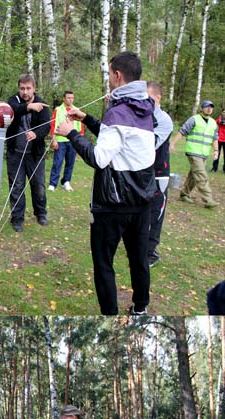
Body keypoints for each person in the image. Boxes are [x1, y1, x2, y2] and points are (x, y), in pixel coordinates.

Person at [58, 51, 156, 316]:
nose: (109, 78)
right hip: (142, 201)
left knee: (104, 264)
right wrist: (87, 119)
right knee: (139, 260)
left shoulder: (118, 112)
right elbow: (121, 140)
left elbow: (100, 158)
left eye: (109, 73)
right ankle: (140, 308)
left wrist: (71, 135)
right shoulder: (146, 109)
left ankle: (111, 315)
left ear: (117, 75)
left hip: (113, 204)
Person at [6, 74, 51, 232]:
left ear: (34, 88)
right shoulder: (13, 101)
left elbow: (46, 126)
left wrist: (36, 134)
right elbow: (12, 110)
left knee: (38, 186)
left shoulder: (43, 104)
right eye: (22, 88)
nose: (25, 92)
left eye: (28, 88)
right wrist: (29, 107)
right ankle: (17, 219)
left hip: (35, 154)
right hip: (15, 154)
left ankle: (41, 213)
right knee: (16, 187)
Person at [145, 81, 174, 267]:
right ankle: (139, 244)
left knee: (155, 212)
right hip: (143, 172)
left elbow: (149, 144)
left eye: (148, 98)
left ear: (158, 97)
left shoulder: (164, 120)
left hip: (159, 173)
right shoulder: (143, 115)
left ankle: (150, 252)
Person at [170, 99, 218, 208]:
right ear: (202, 108)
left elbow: (215, 138)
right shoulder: (194, 119)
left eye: (211, 107)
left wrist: (216, 151)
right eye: (207, 106)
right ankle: (208, 199)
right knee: (201, 175)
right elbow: (182, 131)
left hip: (204, 154)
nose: (209, 108)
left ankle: (184, 194)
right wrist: (172, 143)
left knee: (193, 175)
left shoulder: (213, 122)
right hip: (193, 152)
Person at [48, 91, 84, 192]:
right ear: (64, 98)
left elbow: (80, 128)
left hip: (72, 141)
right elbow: (53, 125)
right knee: (57, 162)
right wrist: (53, 140)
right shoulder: (58, 110)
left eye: (72, 98)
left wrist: (79, 143)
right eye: (68, 98)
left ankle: (66, 181)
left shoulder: (77, 110)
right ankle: (52, 183)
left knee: (70, 162)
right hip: (60, 140)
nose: (70, 100)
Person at [213, 106, 225, 172]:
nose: (224, 113)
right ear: (222, 113)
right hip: (219, 139)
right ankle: (214, 168)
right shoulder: (219, 118)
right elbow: (214, 125)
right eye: (223, 112)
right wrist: (218, 122)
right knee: (216, 154)